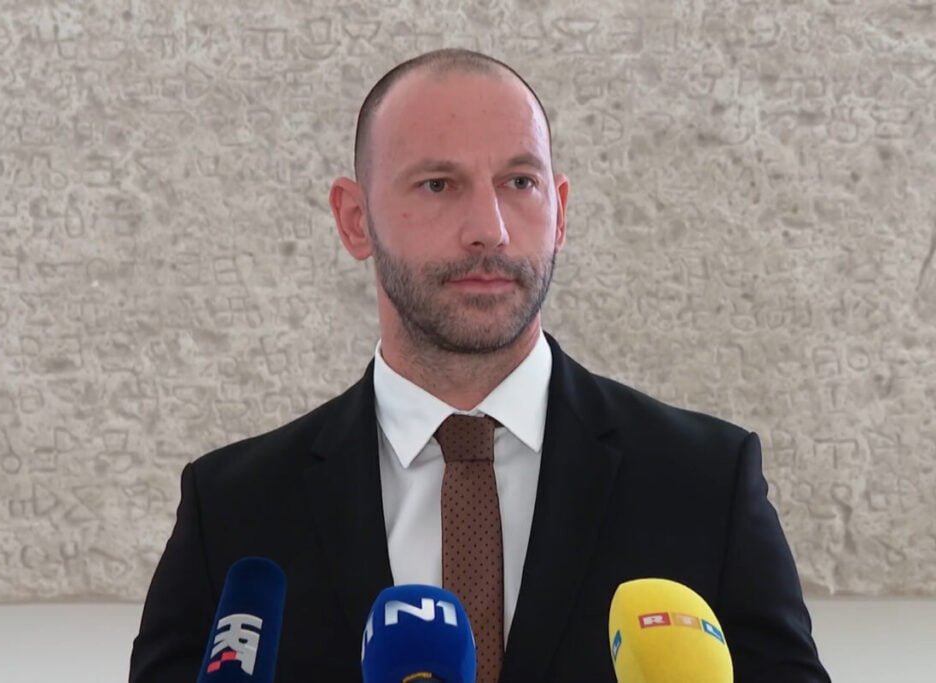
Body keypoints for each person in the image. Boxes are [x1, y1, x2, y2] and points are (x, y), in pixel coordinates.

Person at [130, 48, 830, 682]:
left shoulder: (705, 484)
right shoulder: (234, 513)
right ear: (354, 219)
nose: (489, 230)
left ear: (560, 212)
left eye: (519, 182)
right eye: (438, 185)